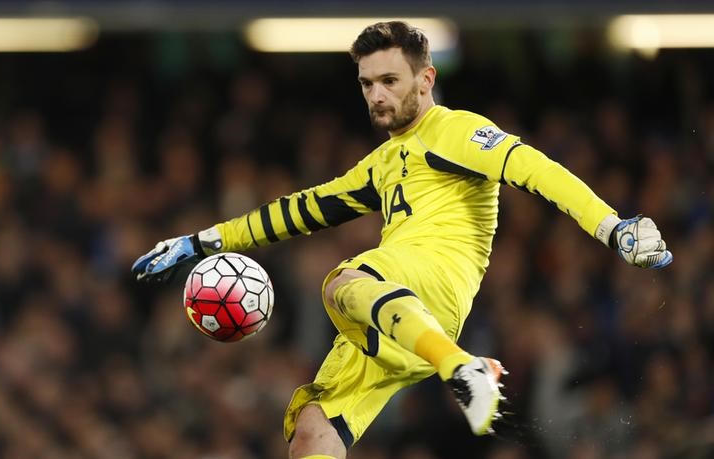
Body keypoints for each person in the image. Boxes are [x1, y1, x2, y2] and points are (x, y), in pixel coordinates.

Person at [131, 21, 673, 459]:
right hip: (394, 314)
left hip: (431, 284)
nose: (377, 95)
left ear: (425, 79)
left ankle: (464, 367)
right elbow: (301, 210)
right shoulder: (382, 163)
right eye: (367, 83)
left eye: (390, 80)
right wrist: (202, 241)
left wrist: (612, 226)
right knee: (312, 431)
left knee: (343, 281)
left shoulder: (456, 131)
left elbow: (534, 168)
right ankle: (453, 364)